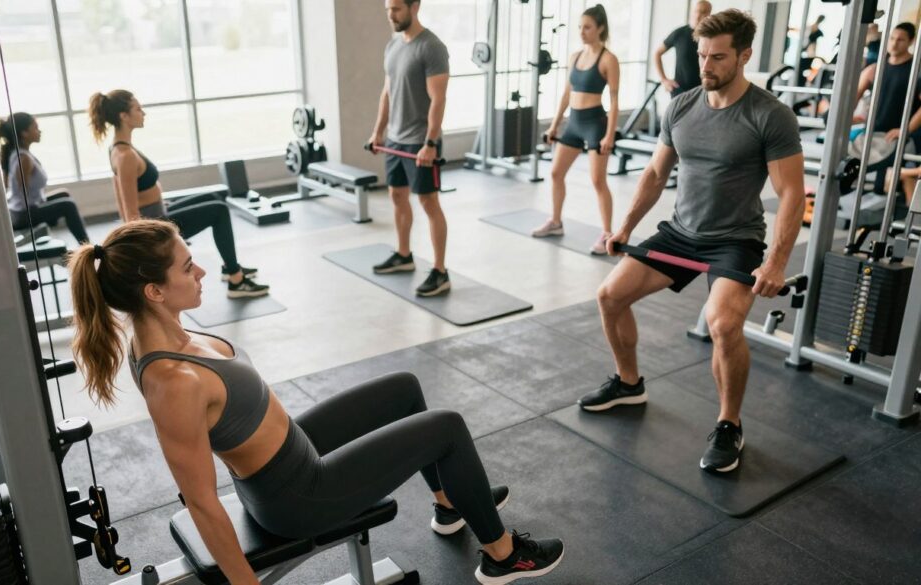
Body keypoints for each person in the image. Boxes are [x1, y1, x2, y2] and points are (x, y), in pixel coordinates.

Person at [67, 219, 565, 585]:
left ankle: (451, 503)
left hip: (293, 449)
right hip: (297, 497)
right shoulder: (172, 381)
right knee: (447, 427)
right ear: (153, 290)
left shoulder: (169, 327)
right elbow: (199, 499)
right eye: (185, 265)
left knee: (404, 388)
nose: (200, 269)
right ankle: (503, 556)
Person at [581, 9, 805, 474]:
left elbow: (791, 195)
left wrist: (777, 262)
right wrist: (624, 227)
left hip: (734, 240)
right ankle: (628, 383)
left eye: (718, 57)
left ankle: (729, 423)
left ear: (744, 56)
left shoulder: (770, 115)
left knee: (723, 325)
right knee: (609, 296)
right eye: (701, 54)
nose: (705, 66)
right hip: (680, 233)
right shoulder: (682, 105)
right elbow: (655, 173)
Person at [87, 90, 268, 299]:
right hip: (156, 229)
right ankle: (236, 281)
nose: (143, 113)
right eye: (138, 108)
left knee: (214, 199)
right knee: (219, 211)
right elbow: (130, 212)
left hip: (158, 214)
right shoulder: (125, 155)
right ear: (123, 116)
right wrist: (147, 249)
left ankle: (230, 267)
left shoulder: (119, 148)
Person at [367, 0, 452, 297]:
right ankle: (404, 255)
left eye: (396, 10)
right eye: (388, 10)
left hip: (420, 141)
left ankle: (441, 272)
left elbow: (438, 99)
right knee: (397, 196)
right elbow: (387, 92)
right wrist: (379, 131)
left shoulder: (431, 47)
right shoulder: (393, 45)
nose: (391, 15)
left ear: (415, 6)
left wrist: (430, 142)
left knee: (429, 203)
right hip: (396, 138)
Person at [532, 4, 620, 255]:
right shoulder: (575, 57)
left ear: (600, 28)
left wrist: (609, 134)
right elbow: (566, 94)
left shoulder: (608, 59)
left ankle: (606, 234)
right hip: (574, 122)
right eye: (580, 27)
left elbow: (614, 101)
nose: (582, 32)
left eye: (588, 27)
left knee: (597, 180)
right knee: (556, 173)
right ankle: (556, 222)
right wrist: (554, 125)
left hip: (595, 123)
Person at [0, 112, 90, 245]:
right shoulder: (24, 159)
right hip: (23, 215)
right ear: (24, 133)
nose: (39, 131)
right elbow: (23, 196)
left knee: (64, 194)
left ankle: (83, 243)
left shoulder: (19, 154)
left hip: (25, 208)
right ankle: (87, 247)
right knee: (68, 205)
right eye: (35, 128)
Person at [855, 23, 921, 192]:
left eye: (900, 40)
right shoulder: (875, 68)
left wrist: (905, 130)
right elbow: (854, 96)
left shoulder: (916, 70)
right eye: (892, 38)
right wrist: (844, 118)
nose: (894, 43)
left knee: (884, 187)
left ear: (911, 41)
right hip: (875, 130)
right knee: (857, 173)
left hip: (899, 135)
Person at [654, 1, 713, 98]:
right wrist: (664, 80)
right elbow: (657, 53)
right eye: (696, 11)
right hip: (679, 91)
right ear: (692, 12)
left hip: (703, 92)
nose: (698, 15)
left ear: (709, 15)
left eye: (703, 12)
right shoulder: (679, 33)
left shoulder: (711, 37)